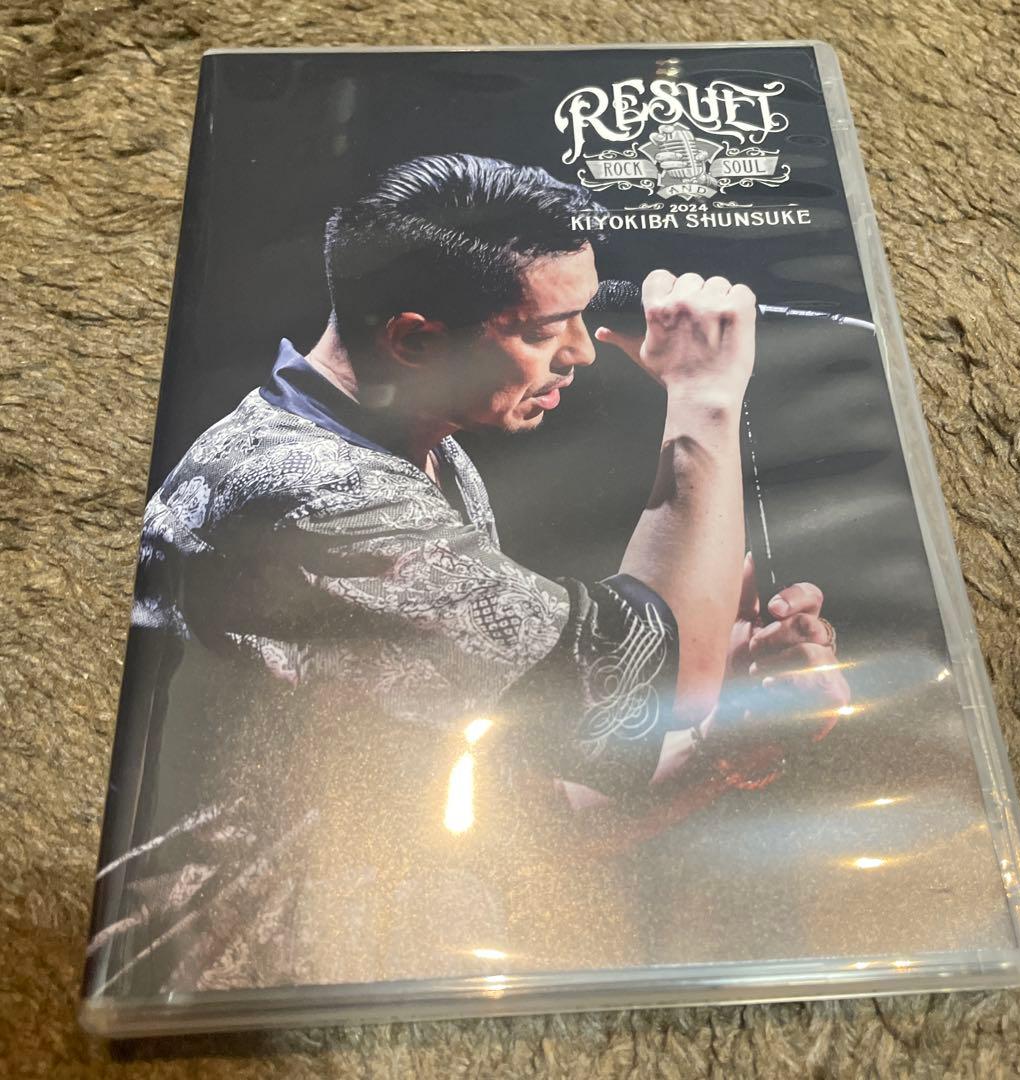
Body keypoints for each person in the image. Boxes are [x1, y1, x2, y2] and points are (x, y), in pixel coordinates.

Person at [88, 153, 848, 995]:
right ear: (416, 340)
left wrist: (738, 738)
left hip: (361, 977)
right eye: (543, 329)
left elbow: (513, 809)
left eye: (582, 315)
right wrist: (705, 397)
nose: (581, 353)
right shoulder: (314, 493)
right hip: (226, 995)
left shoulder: (424, 454)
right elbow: (658, 687)